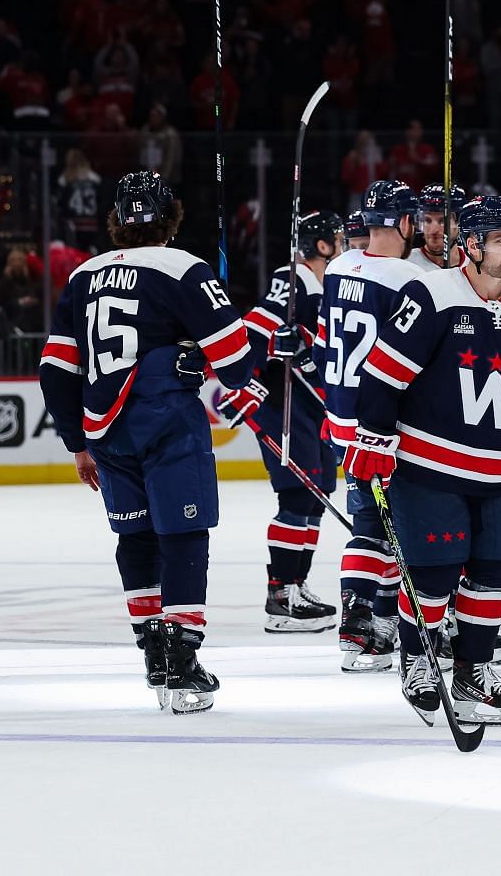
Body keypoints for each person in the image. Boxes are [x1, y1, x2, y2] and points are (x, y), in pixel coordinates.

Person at [348, 193, 501, 726]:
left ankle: (473, 669)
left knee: (493, 572)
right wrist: (372, 436)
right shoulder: (433, 294)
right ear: (472, 245)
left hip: (495, 470)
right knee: (434, 575)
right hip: (425, 467)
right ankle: (417, 659)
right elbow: (380, 375)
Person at [39, 171, 255, 713]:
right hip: (165, 421)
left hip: (104, 430)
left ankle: (153, 656)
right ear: (171, 216)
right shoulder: (184, 268)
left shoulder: (82, 275)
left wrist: (77, 442)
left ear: (116, 219)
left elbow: (54, 370)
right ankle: (181, 662)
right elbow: (236, 363)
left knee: (135, 540)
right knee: (184, 533)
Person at [215, 209, 344, 632]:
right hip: (282, 404)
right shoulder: (294, 279)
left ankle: (297, 585)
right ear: (322, 246)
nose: (344, 246)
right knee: (295, 495)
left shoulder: (326, 285)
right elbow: (253, 329)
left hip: (311, 407)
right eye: (338, 239)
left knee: (316, 494)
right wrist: (246, 384)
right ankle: (280, 595)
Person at [322, 182, 425, 672]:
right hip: (381, 424)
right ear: (405, 223)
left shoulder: (340, 267)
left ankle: (370, 621)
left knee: (371, 523)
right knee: (385, 526)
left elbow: (326, 340)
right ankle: (366, 625)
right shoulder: (408, 278)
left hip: (341, 416)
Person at [407, 183, 465, 273]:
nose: (433, 230)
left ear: (459, 223)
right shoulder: (407, 264)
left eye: (443, 221)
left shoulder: (476, 262)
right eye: (427, 220)